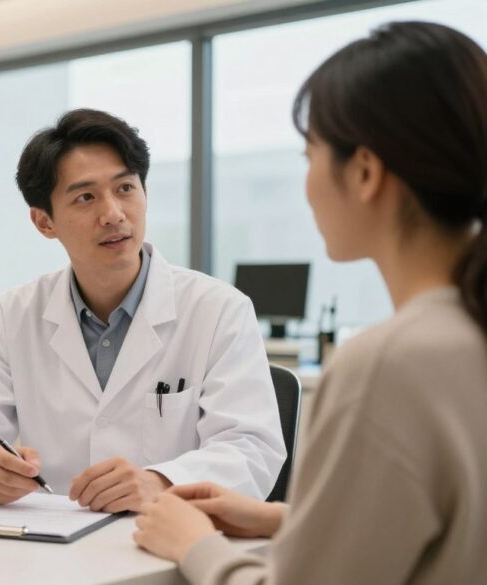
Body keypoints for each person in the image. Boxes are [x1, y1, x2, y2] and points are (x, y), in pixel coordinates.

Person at [133, 21, 487, 584]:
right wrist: (282, 519)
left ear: (365, 172)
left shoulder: (388, 363)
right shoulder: (464, 333)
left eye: (310, 153)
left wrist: (196, 546)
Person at [0, 109, 286, 513]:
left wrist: (160, 482)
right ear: (44, 222)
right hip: (51, 543)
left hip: (169, 538)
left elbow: (252, 447)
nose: (113, 213)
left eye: (125, 188)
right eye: (85, 197)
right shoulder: (14, 314)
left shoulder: (219, 310)